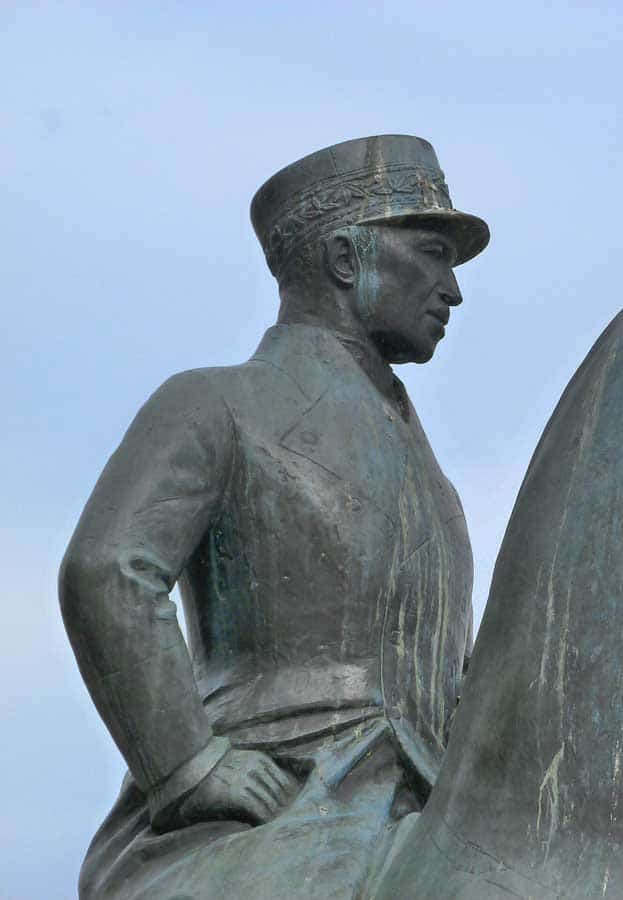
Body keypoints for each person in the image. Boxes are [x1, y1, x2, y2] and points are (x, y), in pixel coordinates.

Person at [59, 135, 488, 899]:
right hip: (275, 806)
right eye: (430, 252)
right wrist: (191, 767)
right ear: (346, 260)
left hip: (424, 810)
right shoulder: (214, 403)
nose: (452, 289)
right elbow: (109, 570)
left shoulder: (435, 482)